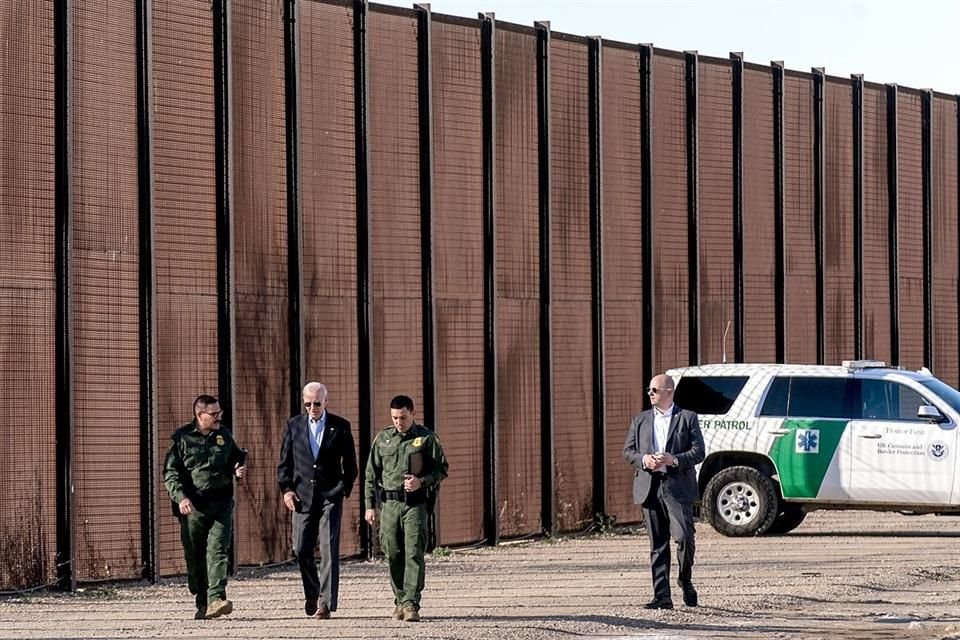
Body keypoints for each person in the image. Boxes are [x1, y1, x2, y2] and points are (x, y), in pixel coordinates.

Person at [623, 373, 705, 610]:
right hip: (649, 486)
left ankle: (685, 579)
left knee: (683, 537)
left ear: (669, 392)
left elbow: (699, 452)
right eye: (649, 390)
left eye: (654, 390)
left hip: (676, 486)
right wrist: (644, 459)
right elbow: (628, 452)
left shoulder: (687, 418)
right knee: (657, 544)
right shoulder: (640, 420)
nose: (650, 394)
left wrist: (674, 460)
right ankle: (662, 596)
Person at [277, 382, 358, 619]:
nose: (312, 408)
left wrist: (342, 488)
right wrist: (287, 490)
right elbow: (284, 464)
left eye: (317, 403)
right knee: (301, 549)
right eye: (308, 403)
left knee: (328, 549)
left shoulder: (340, 427)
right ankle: (311, 592)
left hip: (329, 496)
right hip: (302, 497)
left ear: (326, 401)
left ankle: (325, 603)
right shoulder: (294, 426)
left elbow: (350, 464)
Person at [364, 395, 448, 622]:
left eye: (402, 417)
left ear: (412, 413)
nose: (398, 422)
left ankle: (411, 603)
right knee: (392, 552)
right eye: (394, 418)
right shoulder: (383, 439)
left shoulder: (426, 438)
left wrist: (422, 481)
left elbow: (442, 469)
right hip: (390, 504)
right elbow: (371, 475)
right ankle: (400, 599)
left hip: (415, 504)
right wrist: (370, 506)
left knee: (413, 552)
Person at [163, 394, 247, 620]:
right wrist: (181, 497)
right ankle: (202, 600)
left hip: (221, 504)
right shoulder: (182, 439)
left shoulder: (224, 435)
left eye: (220, 413)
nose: (219, 417)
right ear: (200, 415)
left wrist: (238, 470)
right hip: (194, 508)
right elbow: (170, 474)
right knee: (195, 556)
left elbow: (236, 458)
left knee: (218, 550)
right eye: (214, 414)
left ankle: (216, 599)